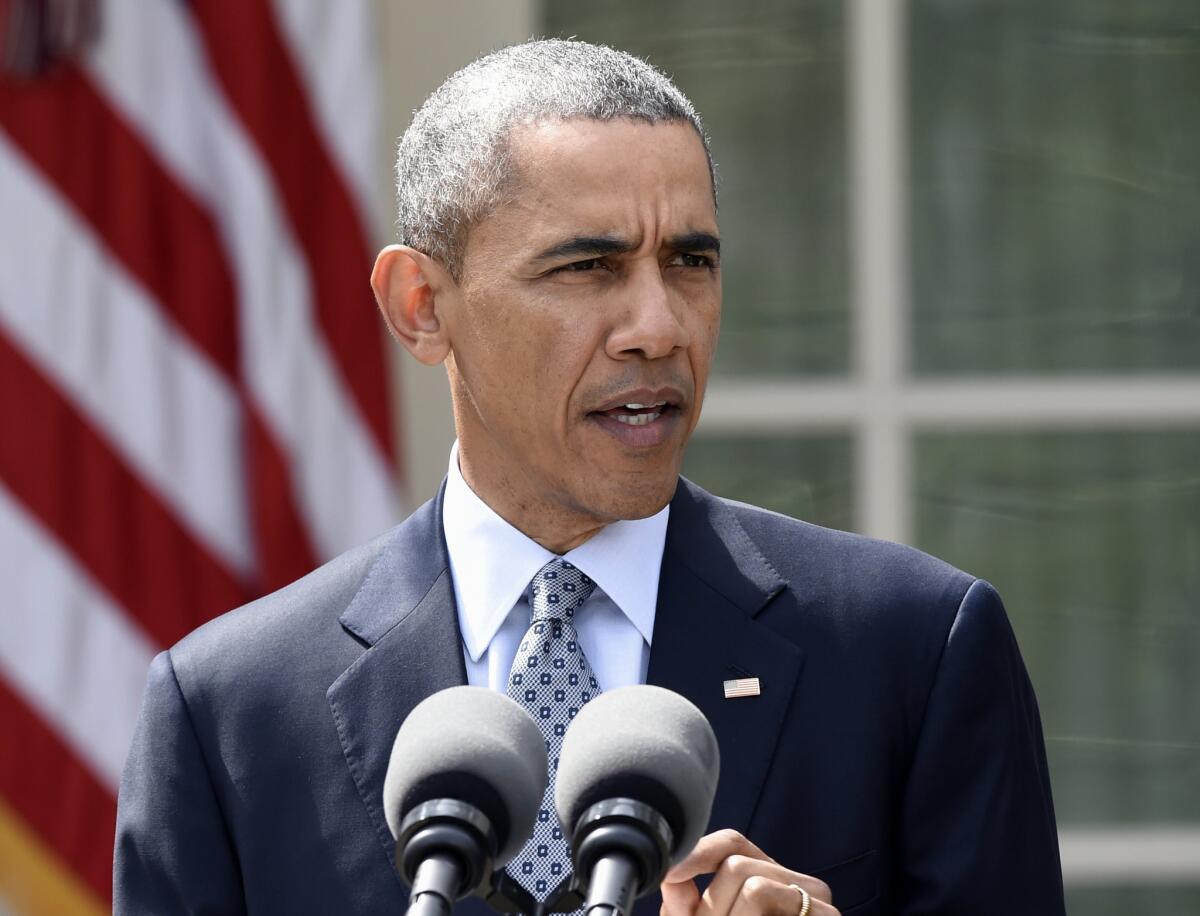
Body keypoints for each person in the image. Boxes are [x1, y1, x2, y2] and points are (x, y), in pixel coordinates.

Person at [114, 39, 1065, 915]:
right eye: (588, 267)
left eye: (690, 261)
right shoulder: (228, 714)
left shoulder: (916, 649)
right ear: (420, 308)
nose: (659, 325)